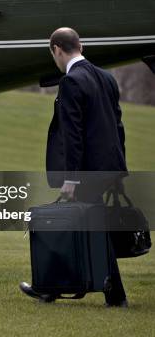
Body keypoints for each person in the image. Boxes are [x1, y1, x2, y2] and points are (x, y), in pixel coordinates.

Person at [19, 27, 129, 307]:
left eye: (53, 53)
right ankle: (113, 295)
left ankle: (50, 287)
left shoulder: (71, 81)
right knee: (95, 229)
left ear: (56, 49)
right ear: (79, 45)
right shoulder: (106, 77)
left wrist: (71, 180)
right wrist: (118, 170)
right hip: (108, 168)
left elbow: (73, 135)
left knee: (62, 222)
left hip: (87, 172)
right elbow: (117, 127)